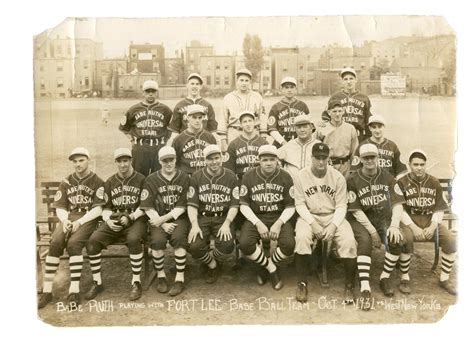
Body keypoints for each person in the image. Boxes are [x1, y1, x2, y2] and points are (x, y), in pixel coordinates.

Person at [381, 149, 457, 295]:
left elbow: (440, 207)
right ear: (409, 165)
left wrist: (434, 225)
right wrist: (413, 227)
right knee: (406, 239)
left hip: (430, 219)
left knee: (451, 240)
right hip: (409, 219)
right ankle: (405, 278)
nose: (419, 167)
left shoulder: (433, 182)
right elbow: (399, 208)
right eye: (415, 164)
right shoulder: (401, 182)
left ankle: (444, 279)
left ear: (426, 165)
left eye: (422, 164)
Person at [38, 147, 104, 309]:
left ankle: (73, 291)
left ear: (88, 160)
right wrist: (65, 220)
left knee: (74, 244)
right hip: (69, 217)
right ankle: (47, 291)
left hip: (88, 219)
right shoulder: (66, 181)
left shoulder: (97, 181)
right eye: (75, 161)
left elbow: (98, 209)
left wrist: (80, 222)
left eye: (81, 160)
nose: (78, 164)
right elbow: (60, 206)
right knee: (55, 243)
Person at [293, 143, 357, 303]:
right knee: (301, 237)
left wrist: (334, 225)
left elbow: (342, 205)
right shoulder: (301, 176)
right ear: (311, 158)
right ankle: (302, 283)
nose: (320, 162)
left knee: (349, 241)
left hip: (333, 215)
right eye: (317, 158)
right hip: (310, 215)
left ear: (328, 158)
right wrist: (312, 223)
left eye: (324, 158)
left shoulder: (338, 177)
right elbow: (299, 204)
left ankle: (349, 285)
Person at [346, 144, 407, 310]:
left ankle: (384, 278)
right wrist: (372, 231)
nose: (370, 160)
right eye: (366, 158)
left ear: (378, 158)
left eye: (373, 157)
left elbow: (397, 204)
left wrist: (394, 225)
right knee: (365, 242)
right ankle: (365, 286)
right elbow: (356, 210)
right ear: (361, 159)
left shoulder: (387, 177)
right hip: (360, 218)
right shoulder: (352, 179)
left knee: (396, 239)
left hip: (382, 217)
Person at [85, 148, 147, 301]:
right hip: (114, 219)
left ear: (130, 161)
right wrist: (108, 220)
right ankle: (97, 282)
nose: (123, 164)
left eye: (125, 161)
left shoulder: (141, 179)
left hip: (135, 218)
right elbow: (105, 207)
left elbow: (145, 205)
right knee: (93, 241)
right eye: (119, 161)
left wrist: (131, 217)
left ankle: (136, 281)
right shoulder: (110, 182)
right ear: (116, 163)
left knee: (133, 239)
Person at [239, 145, 295, 290]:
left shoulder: (285, 176)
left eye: (272, 159)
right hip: (256, 216)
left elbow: (290, 206)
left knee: (289, 245)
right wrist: (257, 223)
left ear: (277, 160)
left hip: (279, 216)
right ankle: (271, 268)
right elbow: (243, 205)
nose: (268, 163)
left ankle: (265, 264)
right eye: (265, 160)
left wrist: (279, 223)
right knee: (245, 243)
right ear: (259, 161)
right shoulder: (248, 176)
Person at [140, 146, 190, 296]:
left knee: (179, 238)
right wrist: (162, 222)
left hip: (177, 217)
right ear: (159, 161)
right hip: (156, 218)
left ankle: (179, 279)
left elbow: (183, 205)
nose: (168, 164)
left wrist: (165, 219)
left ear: (176, 160)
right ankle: (161, 276)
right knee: (157, 241)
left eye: (171, 160)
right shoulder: (151, 179)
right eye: (165, 161)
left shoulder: (184, 177)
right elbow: (147, 206)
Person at [187, 145, 240, 283]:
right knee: (193, 246)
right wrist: (194, 225)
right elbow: (192, 205)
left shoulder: (231, 176)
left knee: (227, 245)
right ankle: (212, 264)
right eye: (210, 159)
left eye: (217, 158)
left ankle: (211, 258)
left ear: (221, 158)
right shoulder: (196, 176)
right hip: (203, 217)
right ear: (205, 160)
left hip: (223, 217)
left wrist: (227, 223)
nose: (214, 162)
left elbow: (234, 204)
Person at [119, 80, 173, 176]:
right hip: (140, 148)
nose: (151, 94)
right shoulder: (134, 109)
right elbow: (124, 128)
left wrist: (166, 139)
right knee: (139, 176)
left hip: (158, 147)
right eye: (148, 91)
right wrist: (131, 140)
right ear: (143, 92)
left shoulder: (165, 109)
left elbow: (171, 127)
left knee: (158, 176)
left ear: (157, 92)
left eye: (153, 91)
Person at [219, 68, 267, 151]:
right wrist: (223, 142)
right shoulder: (228, 98)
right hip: (235, 132)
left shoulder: (257, 97)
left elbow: (262, 118)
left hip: (254, 132)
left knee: (254, 159)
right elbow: (223, 120)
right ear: (237, 81)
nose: (244, 83)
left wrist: (263, 137)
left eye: (246, 80)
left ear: (250, 82)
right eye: (241, 80)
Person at [322, 67, 372, 143]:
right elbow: (326, 116)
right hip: (339, 135)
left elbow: (368, 119)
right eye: (345, 79)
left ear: (356, 80)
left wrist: (368, 138)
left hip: (359, 135)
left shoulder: (364, 98)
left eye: (351, 78)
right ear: (342, 81)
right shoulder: (335, 97)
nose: (349, 82)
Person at [167, 73, 219, 146]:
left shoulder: (207, 105)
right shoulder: (180, 105)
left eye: (197, 84)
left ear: (201, 86)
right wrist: (169, 147)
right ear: (187, 85)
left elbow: (213, 130)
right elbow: (175, 130)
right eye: (192, 84)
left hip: (204, 143)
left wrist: (217, 146)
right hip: (185, 143)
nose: (194, 86)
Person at [172, 104, 217, 176]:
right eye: (194, 117)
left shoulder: (210, 138)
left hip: (206, 176)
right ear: (187, 118)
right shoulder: (179, 139)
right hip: (187, 176)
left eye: (200, 118)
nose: (197, 120)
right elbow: (174, 163)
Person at [317, 100, 358, 178]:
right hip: (327, 165)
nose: (337, 114)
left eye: (340, 111)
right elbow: (315, 148)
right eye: (334, 111)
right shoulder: (323, 128)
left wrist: (353, 168)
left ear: (343, 111)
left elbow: (354, 151)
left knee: (344, 188)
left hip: (345, 166)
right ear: (329, 112)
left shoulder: (350, 128)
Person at [224, 110, 268, 180]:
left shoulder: (263, 143)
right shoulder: (234, 144)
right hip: (241, 180)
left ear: (254, 122)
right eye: (245, 122)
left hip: (260, 180)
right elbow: (228, 169)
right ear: (241, 125)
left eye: (250, 121)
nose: (248, 124)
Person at [268, 76, 310, 147]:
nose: (289, 90)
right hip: (280, 143)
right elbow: (272, 129)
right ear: (282, 89)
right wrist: (283, 142)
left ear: (295, 89)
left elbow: (310, 126)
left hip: (300, 143)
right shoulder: (276, 107)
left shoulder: (302, 106)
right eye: (286, 87)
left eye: (292, 87)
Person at [277, 115, 321, 181]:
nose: (302, 130)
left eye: (305, 127)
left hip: (313, 184)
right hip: (293, 185)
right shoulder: (289, 145)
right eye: (299, 127)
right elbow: (275, 157)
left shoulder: (318, 145)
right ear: (295, 129)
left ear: (311, 127)